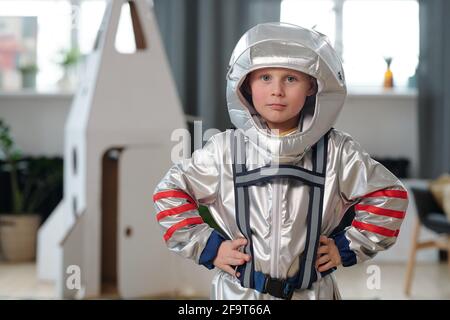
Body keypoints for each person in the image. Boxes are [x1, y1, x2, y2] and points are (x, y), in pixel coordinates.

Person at [153, 22, 409, 300]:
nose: (277, 90)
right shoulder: (226, 150)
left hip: (313, 293)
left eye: (290, 78)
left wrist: (346, 247)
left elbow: (389, 195)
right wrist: (209, 247)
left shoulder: (337, 151)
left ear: (313, 85)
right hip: (238, 295)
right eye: (265, 77)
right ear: (245, 84)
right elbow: (170, 191)